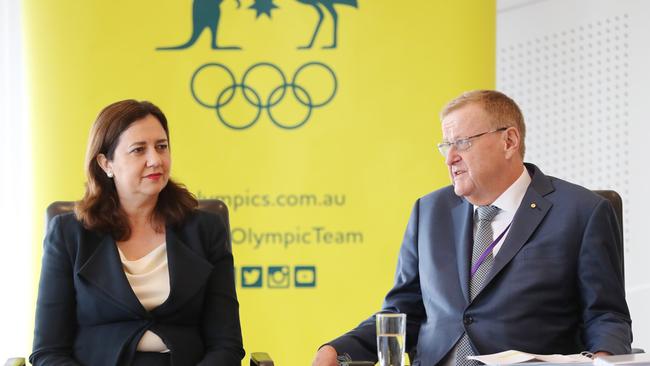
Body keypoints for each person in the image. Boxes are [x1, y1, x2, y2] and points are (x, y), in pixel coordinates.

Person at [312, 90, 632, 366]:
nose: (450, 158)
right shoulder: (429, 211)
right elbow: (402, 313)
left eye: (462, 143)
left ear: (509, 140)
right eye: (445, 145)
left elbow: (606, 317)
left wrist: (603, 359)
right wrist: (338, 351)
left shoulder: (581, 211)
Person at [30, 100, 245, 366]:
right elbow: (48, 352)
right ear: (106, 163)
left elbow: (226, 345)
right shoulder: (68, 234)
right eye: (138, 150)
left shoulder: (205, 230)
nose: (155, 160)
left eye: (161, 147)